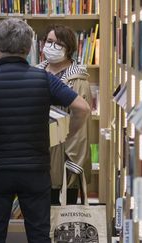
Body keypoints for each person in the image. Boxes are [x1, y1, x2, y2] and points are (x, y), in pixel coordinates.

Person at [0, 18, 90, 243]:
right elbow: (83, 108)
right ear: (28, 49)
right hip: (35, 171)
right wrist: (69, 133)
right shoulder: (43, 78)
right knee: (39, 235)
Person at [37, 24, 92, 205]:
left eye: (58, 44)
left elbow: (82, 122)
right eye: (49, 42)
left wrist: (74, 161)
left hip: (65, 155)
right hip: (38, 153)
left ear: (69, 49)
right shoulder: (36, 73)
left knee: (64, 213)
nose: (51, 47)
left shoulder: (78, 79)